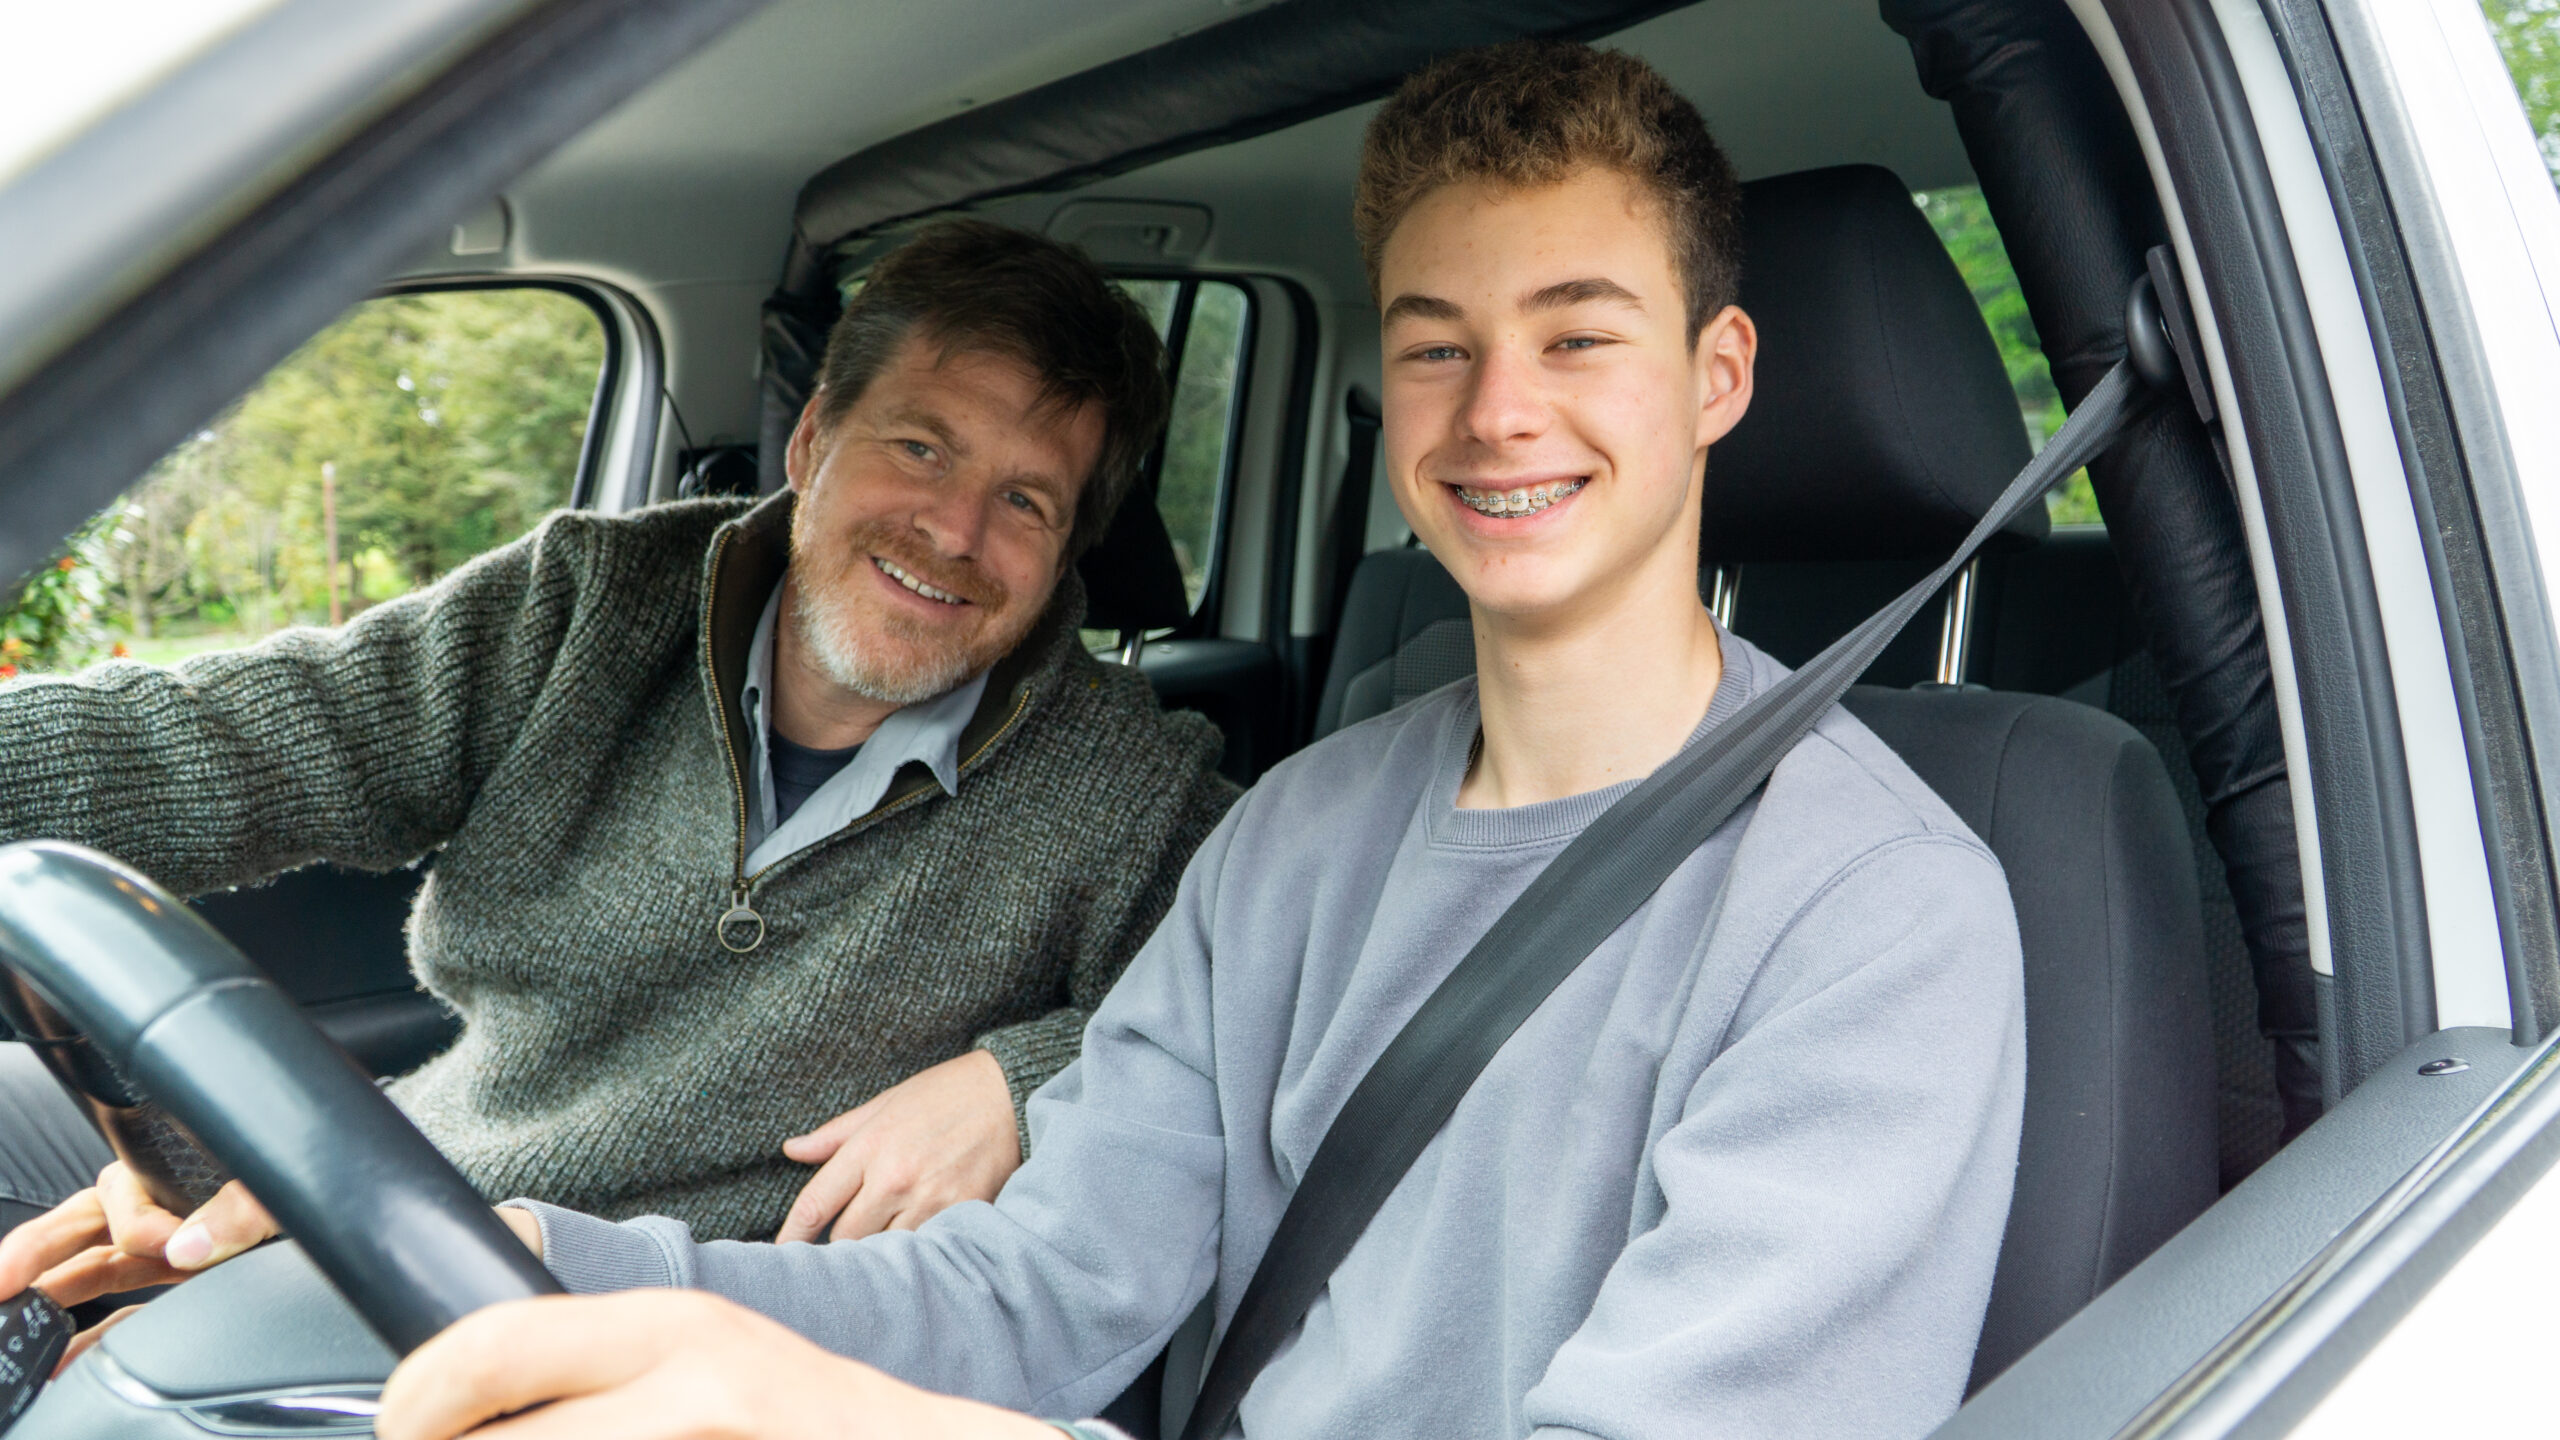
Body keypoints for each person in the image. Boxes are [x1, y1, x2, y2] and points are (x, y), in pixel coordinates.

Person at [6, 40, 2026, 1440]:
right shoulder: (1299, 839)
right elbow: (1035, 1297)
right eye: (1435, 345)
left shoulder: (1877, 918)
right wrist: (505, 1245)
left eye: (1577, 334)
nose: (1497, 410)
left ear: (1717, 377)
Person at [0, 220, 1239, 1259]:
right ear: (811, 444)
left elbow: (1279, 1008)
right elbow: (221, 744)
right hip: (400, 1159)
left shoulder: (1127, 783)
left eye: (1024, 500)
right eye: (920, 447)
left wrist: (1022, 1084)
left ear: (1068, 547)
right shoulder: (591, 605)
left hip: (602, 1306)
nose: (955, 530)